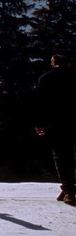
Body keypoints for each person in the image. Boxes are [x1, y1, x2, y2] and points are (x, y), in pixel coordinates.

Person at [35, 54, 76, 206]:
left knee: (62, 155)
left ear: (53, 63)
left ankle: (69, 190)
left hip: (56, 123)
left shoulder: (45, 78)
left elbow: (40, 103)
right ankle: (68, 188)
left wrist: (39, 123)